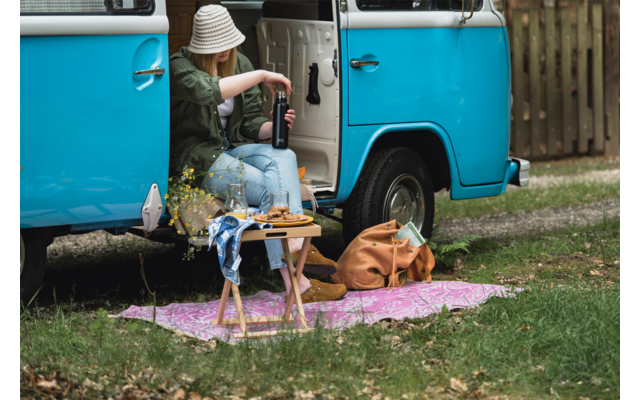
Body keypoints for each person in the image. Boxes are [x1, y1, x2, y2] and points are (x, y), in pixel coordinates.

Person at [168, 5, 346, 303]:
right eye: (217, 45)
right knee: (269, 189)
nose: (225, 50)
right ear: (201, 45)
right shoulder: (180, 66)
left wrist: (273, 126)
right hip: (200, 157)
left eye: (228, 43)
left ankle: (296, 251)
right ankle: (298, 280)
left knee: (285, 156)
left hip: (233, 148)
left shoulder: (240, 63)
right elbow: (208, 91)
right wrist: (261, 74)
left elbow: (249, 122)